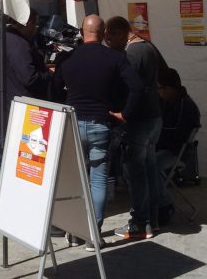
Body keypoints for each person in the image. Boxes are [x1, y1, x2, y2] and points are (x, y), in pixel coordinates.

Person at [52, 15, 142, 251]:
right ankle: (93, 234)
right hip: (101, 124)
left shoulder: (67, 59)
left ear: (83, 31)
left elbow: (53, 90)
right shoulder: (115, 57)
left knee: (76, 181)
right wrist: (125, 113)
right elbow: (137, 86)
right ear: (103, 33)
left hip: (72, 122)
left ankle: (73, 232)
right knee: (98, 179)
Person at [105, 16, 163, 241]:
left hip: (138, 120)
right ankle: (152, 221)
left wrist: (124, 113)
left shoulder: (131, 54)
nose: (109, 42)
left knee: (136, 174)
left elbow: (131, 88)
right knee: (149, 169)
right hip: (154, 117)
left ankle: (139, 223)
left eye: (110, 37)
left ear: (121, 32)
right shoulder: (149, 47)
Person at [0, 9, 51, 212]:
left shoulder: (6, 40)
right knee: (11, 158)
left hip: (5, 109)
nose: (35, 28)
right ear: (26, 23)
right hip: (17, 112)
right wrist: (49, 74)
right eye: (35, 23)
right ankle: (2, 203)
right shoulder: (18, 43)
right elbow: (29, 78)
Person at [154, 68, 201, 226]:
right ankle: (157, 203)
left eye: (160, 89)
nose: (159, 93)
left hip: (175, 153)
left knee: (149, 166)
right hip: (168, 148)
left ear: (169, 88)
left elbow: (174, 134)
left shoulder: (184, 106)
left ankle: (164, 205)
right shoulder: (173, 102)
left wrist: (152, 135)